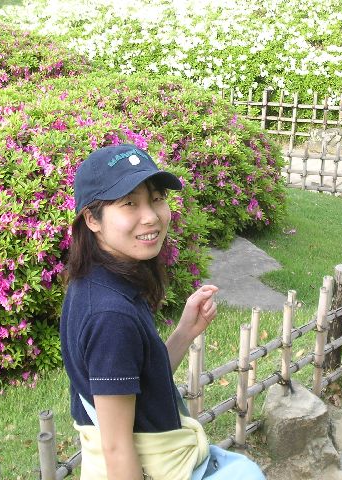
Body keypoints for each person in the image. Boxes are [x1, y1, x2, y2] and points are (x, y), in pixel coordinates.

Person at [60, 144, 265, 480]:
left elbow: (141, 382)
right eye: (130, 203)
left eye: (156, 198)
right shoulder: (110, 316)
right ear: (92, 219)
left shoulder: (102, 281)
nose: (151, 216)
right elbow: (117, 448)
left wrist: (184, 332)